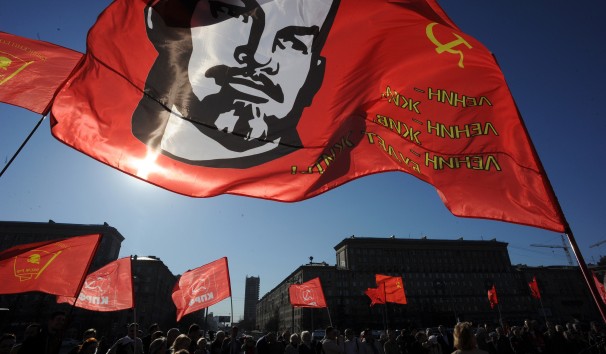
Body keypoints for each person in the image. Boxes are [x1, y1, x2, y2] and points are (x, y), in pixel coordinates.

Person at [132, 0, 340, 168]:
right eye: (232, 16)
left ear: (315, 74)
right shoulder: (139, 149)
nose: (260, 58)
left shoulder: (311, 165)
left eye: (294, 42)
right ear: (161, 21)